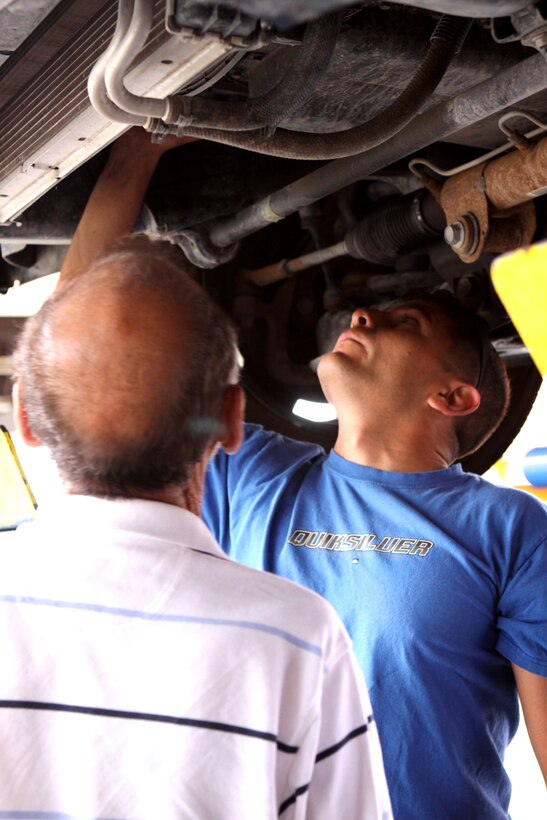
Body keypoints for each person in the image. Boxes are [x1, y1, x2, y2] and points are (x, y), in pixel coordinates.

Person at [57, 130, 547, 819]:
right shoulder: (246, 471)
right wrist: (130, 160)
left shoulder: (507, 526)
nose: (362, 313)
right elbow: (79, 358)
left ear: (451, 397)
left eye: (405, 321)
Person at [0, 133, 393, 819]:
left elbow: (86, 339)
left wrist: (130, 163)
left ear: (27, 421)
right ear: (232, 420)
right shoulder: (297, 635)